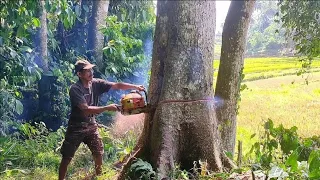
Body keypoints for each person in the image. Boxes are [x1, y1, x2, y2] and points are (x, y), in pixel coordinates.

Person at [58, 59, 145, 180]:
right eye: (87, 71)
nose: (91, 72)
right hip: (76, 127)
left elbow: (116, 85)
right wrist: (107, 108)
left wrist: (135, 86)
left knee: (98, 152)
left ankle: (99, 176)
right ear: (79, 74)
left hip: (91, 124)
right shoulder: (75, 89)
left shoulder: (96, 83)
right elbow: (85, 109)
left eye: (91, 69)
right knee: (67, 157)